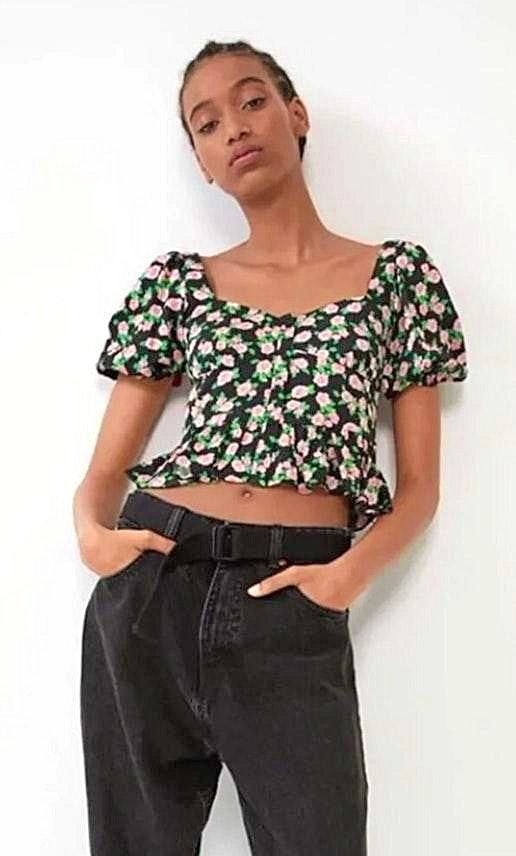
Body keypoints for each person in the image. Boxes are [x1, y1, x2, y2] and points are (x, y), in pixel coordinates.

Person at [73, 39, 469, 856]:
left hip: (291, 597)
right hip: (156, 587)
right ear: (203, 163)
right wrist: (93, 535)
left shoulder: (397, 279)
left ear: (296, 114)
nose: (234, 128)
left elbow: (421, 488)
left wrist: (344, 577)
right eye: (206, 123)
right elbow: (104, 471)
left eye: (251, 101)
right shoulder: (179, 284)